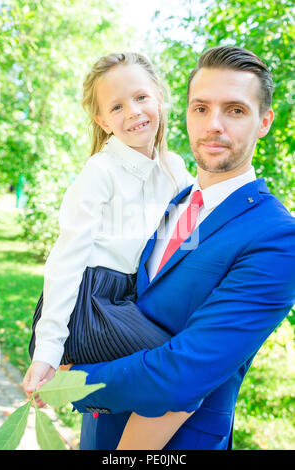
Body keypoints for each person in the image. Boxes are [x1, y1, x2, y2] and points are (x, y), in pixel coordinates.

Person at [62, 46, 294, 450]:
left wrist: (70, 384)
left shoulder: (277, 236)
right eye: (200, 108)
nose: (213, 125)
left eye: (235, 110)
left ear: (264, 121)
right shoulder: (174, 199)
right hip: (102, 432)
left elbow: (183, 372)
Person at [23, 52, 198, 442]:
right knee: (184, 376)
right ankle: (66, 373)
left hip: (130, 299)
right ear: (103, 121)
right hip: (92, 304)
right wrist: (49, 349)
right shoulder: (100, 172)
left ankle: (89, 387)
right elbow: (66, 261)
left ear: (159, 96)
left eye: (140, 97)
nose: (133, 111)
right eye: (117, 106)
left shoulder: (174, 168)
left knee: (181, 372)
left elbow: (191, 234)